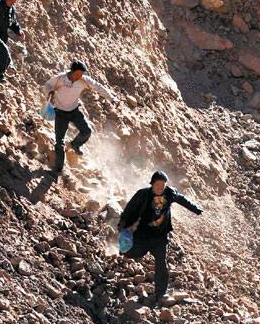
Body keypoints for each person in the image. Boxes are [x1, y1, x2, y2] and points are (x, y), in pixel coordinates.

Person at [117, 171, 203, 304]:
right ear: (152, 184)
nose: (160, 187)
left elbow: (182, 199)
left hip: (160, 237)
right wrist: (122, 225)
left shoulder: (170, 193)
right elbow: (130, 209)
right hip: (144, 234)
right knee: (130, 253)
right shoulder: (143, 194)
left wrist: (196, 209)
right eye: (157, 184)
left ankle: (161, 293)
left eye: (163, 184)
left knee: (161, 262)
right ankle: (124, 250)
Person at [44, 61, 119, 176]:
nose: (80, 76)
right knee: (60, 142)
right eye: (78, 73)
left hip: (74, 111)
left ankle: (74, 145)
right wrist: (49, 92)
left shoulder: (83, 80)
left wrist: (112, 98)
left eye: (82, 74)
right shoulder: (60, 79)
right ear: (72, 71)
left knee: (87, 131)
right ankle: (58, 169)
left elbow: (99, 87)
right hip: (60, 113)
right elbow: (47, 85)